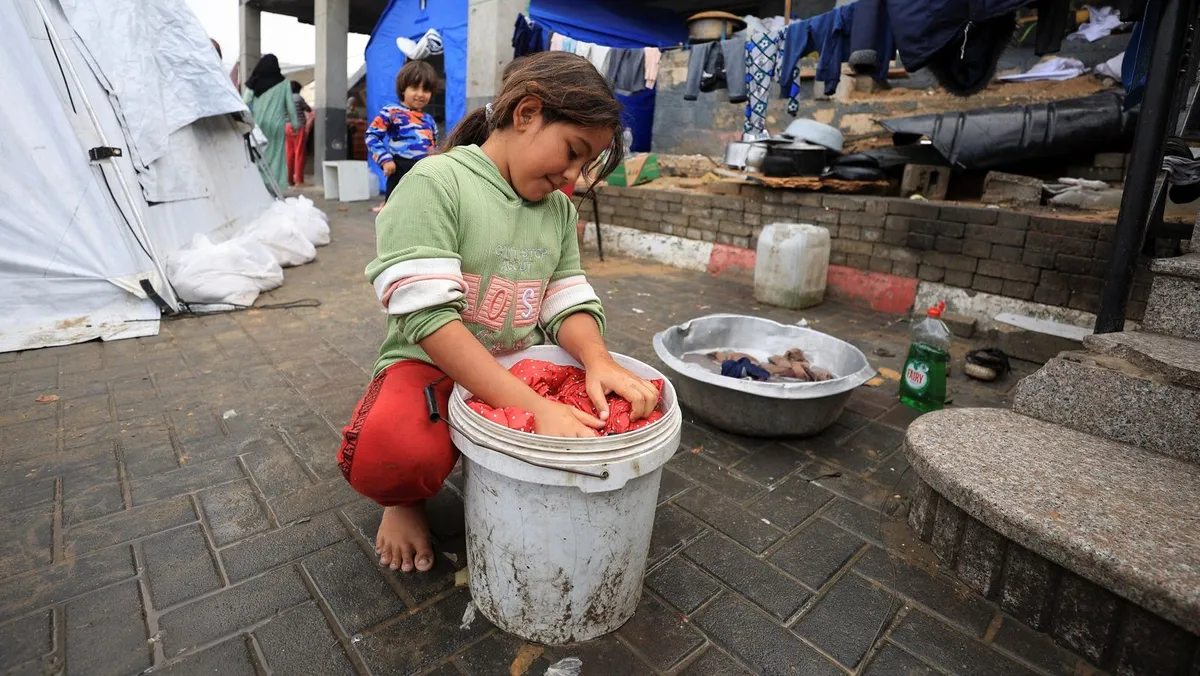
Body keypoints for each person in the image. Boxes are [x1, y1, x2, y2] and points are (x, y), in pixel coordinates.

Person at [337, 51, 657, 573]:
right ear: (527, 113)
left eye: (584, 166)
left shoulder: (557, 210)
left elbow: (565, 299)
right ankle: (403, 500)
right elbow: (429, 319)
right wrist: (534, 408)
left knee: (597, 407)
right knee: (391, 449)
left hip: (521, 364)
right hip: (431, 366)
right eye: (573, 152)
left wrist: (599, 361)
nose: (572, 176)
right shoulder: (436, 182)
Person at [365, 60, 439, 213]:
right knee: (394, 211)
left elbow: (435, 147)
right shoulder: (391, 112)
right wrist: (385, 159)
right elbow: (372, 136)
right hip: (399, 169)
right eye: (414, 88)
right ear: (403, 89)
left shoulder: (429, 120)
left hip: (424, 172)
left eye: (426, 90)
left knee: (420, 211)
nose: (420, 94)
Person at [242, 54, 296, 189]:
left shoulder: (254, 82)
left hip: (258, 125)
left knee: (260, 155)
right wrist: (295, 125)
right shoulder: (284, 83)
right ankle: (275, 187)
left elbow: (245, 102)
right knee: (276, 156)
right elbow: (290, 107)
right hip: (277, 126)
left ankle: (260, 186)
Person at [285, 81, 314, 186]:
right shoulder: (298, 98)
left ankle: (289, 180)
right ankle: (299, 180)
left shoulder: (285, 98)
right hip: (298, 126)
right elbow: (308, 109)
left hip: (287, 126)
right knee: (299, 154)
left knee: (289, 154)